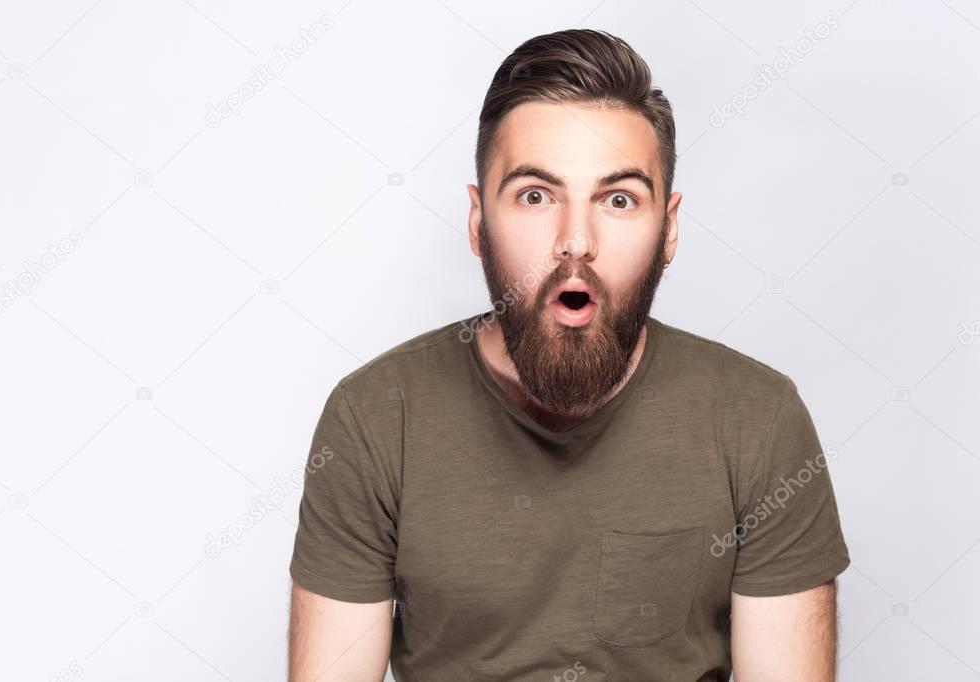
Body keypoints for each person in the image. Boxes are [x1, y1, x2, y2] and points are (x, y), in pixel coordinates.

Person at [287, 28, 850, 681]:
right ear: (477, 222)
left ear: (667, 229)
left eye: (617, 200)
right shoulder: (375, 417)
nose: (574, 241)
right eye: (535, 195)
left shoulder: (757, 419)